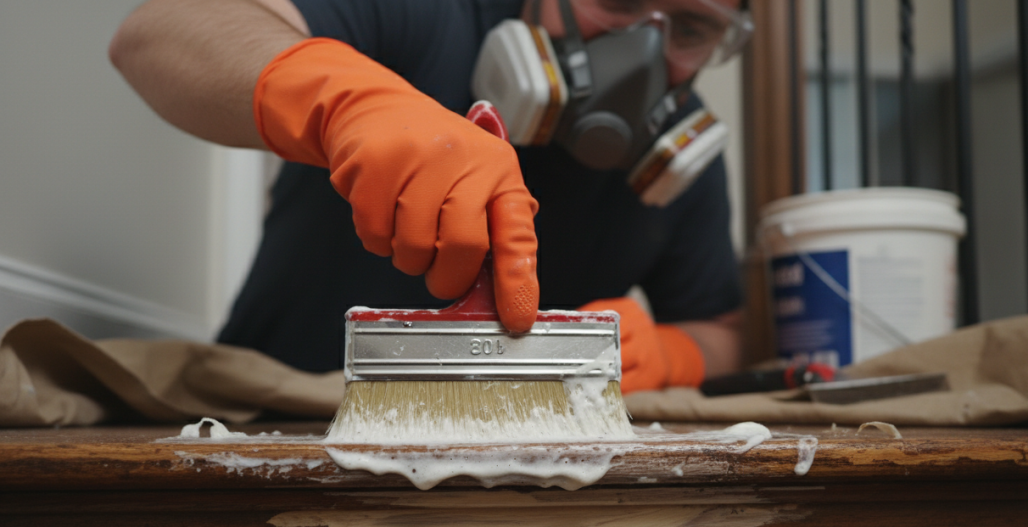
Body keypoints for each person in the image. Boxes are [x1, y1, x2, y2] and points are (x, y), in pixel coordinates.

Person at [109, 0, 749, 393]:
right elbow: (156, 31)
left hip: (522, 471)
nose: (645, 52)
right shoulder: (430, 14)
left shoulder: (676, 163)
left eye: (691, 28)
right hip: (274, 414)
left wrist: (672, 354)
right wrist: (344, 103)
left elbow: (723, 330)